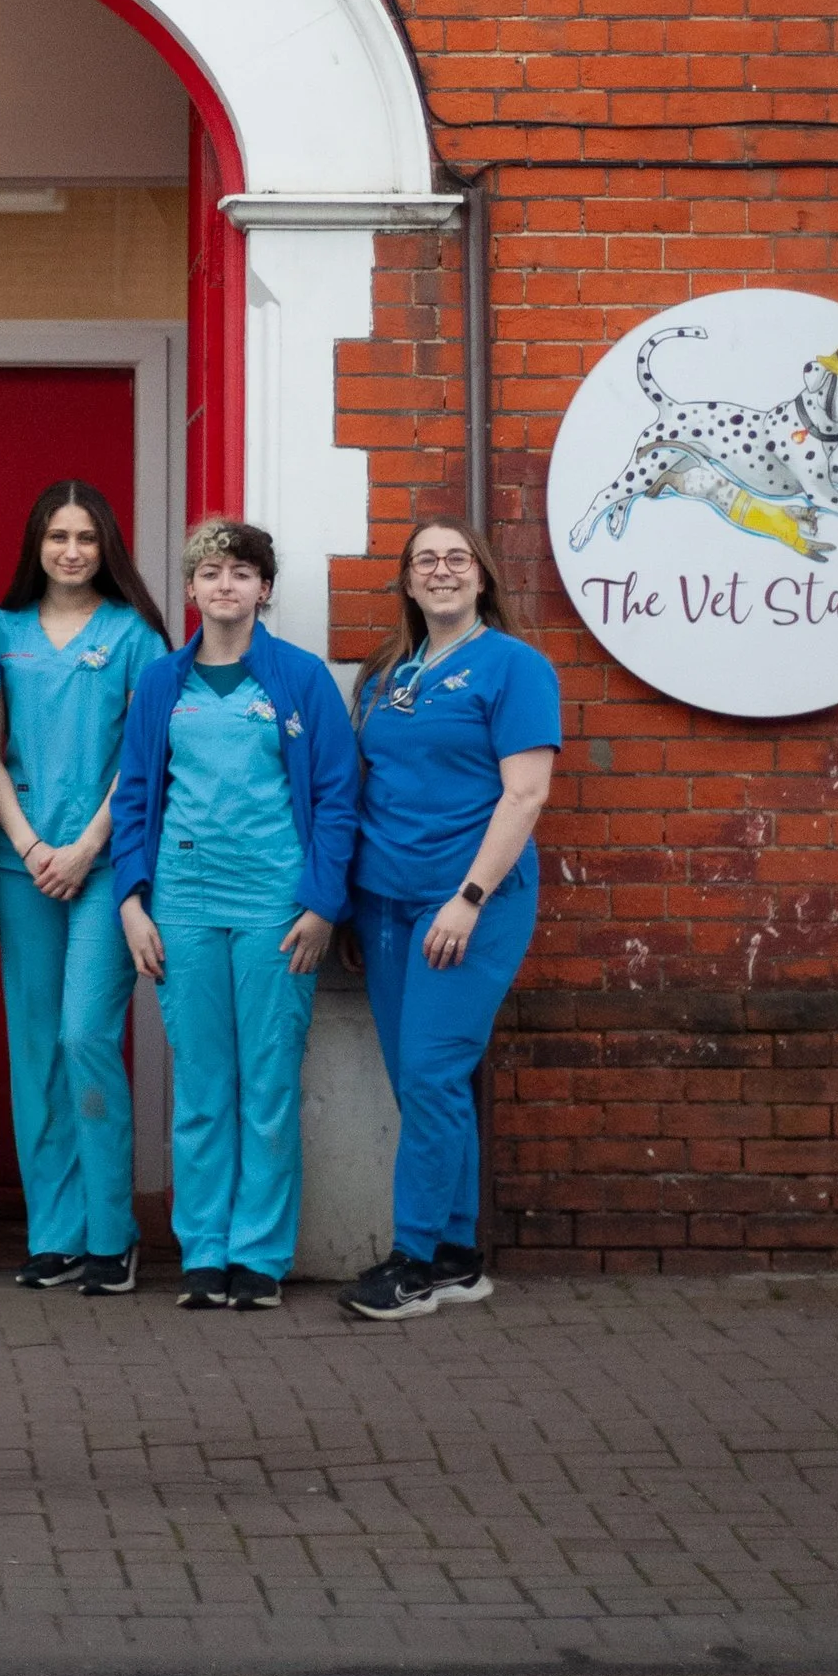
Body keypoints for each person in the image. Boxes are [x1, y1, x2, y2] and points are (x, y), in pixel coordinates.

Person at [111, 517, 358, 1312]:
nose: (225, 586)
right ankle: (204, 1252)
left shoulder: (299, 679)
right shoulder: (162, 684)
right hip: (182, 905)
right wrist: (130, 903)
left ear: (264, 589)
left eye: (241, 574)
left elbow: (336, 797)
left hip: (275, 908)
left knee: (270, 1081)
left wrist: (322, 905)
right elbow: (137, 798)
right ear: (191, 590)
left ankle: (258, 1256)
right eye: (210, 574)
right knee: (204, 1086)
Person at [339, 518, 562, 1323]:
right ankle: (461, 1258)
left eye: (456, 559)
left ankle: (413, 1261)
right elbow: (365, 783)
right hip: (385, 905)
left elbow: (526, 794)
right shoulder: (384, 673)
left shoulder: (516, 668)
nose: (440, 570)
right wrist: (348, 910)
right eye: (424, 560)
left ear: (482, 577)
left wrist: (467, 899)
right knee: (421, 1085)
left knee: (433, 1076)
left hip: (469, 905)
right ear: (406, 581)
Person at [0, 482, 168, 1296]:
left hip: (104, 867)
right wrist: (29, 844)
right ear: (35, 543)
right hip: (23, 864)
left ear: (107, 549)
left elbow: (146, 753)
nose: (70, 551)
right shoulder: (0, 633)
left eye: (86, 538)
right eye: (57, 535)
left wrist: (87, 844)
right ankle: (55, 1235)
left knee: (83, 1035)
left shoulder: (135, 636)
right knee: (35, 1052)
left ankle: (111, 1231)